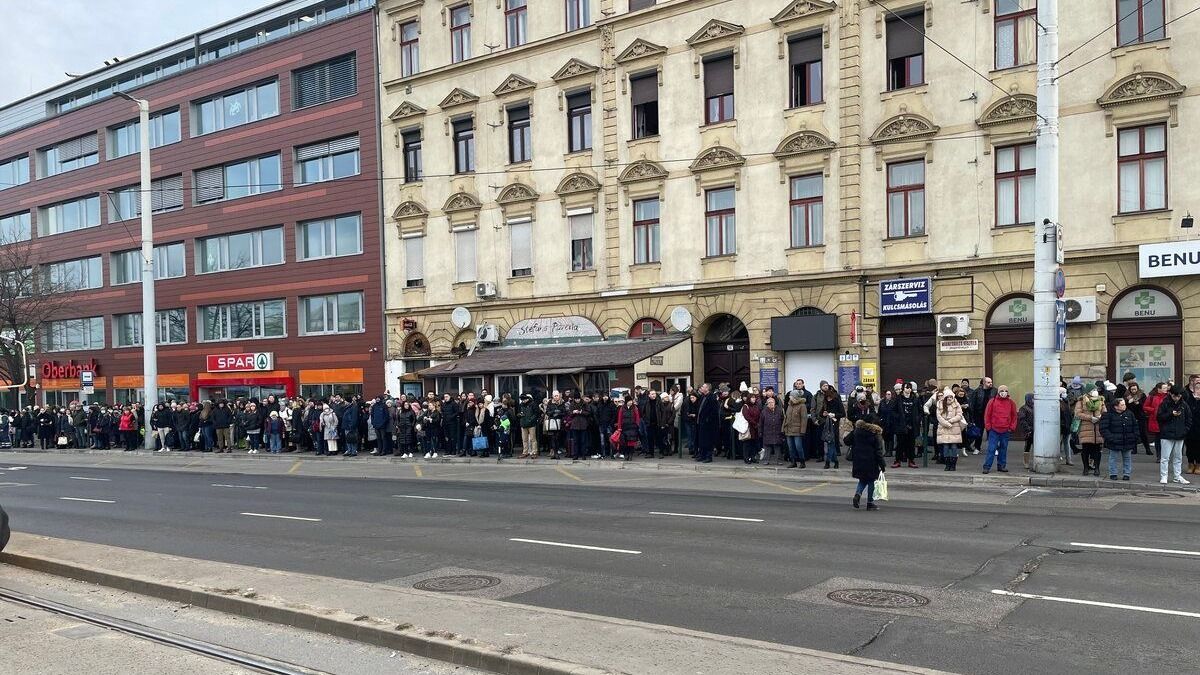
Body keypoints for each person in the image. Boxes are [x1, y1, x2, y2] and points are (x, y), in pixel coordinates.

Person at [848, 413, 886, 511]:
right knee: (871, 481)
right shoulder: (875, 433)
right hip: (871, 461)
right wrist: (882, 464)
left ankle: (858, 494)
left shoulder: (857, 431)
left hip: (858, 460)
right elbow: (878, 451)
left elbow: (846, 440)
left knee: (862, 479)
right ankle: (870, 502)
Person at [1156, 385, 1192, 484]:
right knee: (1165, 457)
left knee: (1178, 457)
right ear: (1170, 394)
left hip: (1180, 435)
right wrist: (1171, 414)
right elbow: (1159, 417)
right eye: (1175, 396)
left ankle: (1177, 476)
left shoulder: (1184, 405)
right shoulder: (1165, 403)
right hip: (1167, 434)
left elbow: (1189, 419)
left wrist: (1185, 430)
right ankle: (1164, 476)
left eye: (1179, 396)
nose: (1177, 398)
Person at [982, 384, 1018, 474]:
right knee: (991, 449)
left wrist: (1011, 427)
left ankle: (1001, 466)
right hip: (994, 430)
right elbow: (987, 415)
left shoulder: (1011, 403)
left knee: (1003, 449)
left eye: (1006, 391)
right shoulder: (992, 402)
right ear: (998, 392)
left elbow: (1014, 416)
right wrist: (988, 427)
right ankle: (987, 466)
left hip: (1005, 430)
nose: (1004, 393)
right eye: (1002, 391)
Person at [1100, 397, 1138, 481]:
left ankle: (1126, 474)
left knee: (1127, 458)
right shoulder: (1108, 415)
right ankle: (1113, 474)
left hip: (1127, 440)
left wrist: (1134, 437)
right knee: (1113, 458)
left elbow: (1135, 426)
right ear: (1116, 406)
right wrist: (1111, 438)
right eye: (1122, 405)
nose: (1124, 406)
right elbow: (1103, 428)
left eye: (1124, 404)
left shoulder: (1129, 413)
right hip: (1114, 441)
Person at [1074, 384, 1106, 477]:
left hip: (1097, 429)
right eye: (1093, 389)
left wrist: (1100, 417)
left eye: (1096, 389)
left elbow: (1104, 411)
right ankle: (1086, 468)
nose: (1095, 391)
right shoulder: (1081, 400)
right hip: (1086, 428)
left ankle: (1097, 468)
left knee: (1097, 450)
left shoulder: (1101, 400)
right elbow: (1077, 413)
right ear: (1088, 391)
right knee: (1086, 450)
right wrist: (1090, 418)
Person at [891, 383, 920, 469]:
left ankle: (911, 460)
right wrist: (898, 418)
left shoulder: (915, 398)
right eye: (907, 388)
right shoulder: (898, 398)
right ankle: (897, 461)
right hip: (901, 425)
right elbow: (893, 410)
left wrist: (917, 418)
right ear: (903, 389)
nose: (908, 389)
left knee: (911, 444)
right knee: (900, 444)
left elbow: (920, 410)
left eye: (910, 388)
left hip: (912, 424)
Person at [935, 387, 964, 471]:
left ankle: (953, 465)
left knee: (954, 447)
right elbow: (939, 417)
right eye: (948, 397)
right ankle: (947, 464)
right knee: (946, 447)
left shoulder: (956, 404)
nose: (950, 399)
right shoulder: (940, 404)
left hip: (954, 428)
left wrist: (951, 421)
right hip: (944, 428)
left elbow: (959, 415)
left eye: (951, 397)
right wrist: (946, 423)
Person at [818, 386, 844, 469]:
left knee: (831, 444)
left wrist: (834, 415)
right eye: (827, 398)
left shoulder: (837, 401)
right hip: (827, 425)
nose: (828, 399)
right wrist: (824, 414)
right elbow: (820, 413)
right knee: (830, 444)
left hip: (834, 424)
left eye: (829, 398)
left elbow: (843, 413)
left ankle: (828, 462)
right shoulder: (825, 402)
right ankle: (835, 461)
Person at [968, 377, 996, 454]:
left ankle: (993, 448)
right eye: (988, 382)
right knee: (979, 432)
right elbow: (972, 403)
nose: (990, 384)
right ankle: (977, 448)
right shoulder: (977, 391)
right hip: (979, 415)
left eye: (991, 382)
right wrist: (972, 416)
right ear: (983, 383)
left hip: (991, 415)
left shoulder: (994, 391)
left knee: (991, 432)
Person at [782, 390, 808, 469]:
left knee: (798, 447)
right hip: (788, 429)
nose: (790, 397)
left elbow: (804, 419)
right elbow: (786, 417)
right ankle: (793, 462)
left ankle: (802, 462)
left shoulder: (802, 406)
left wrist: (803, 430)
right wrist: (783, 428)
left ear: (795, 397)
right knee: (790, 447)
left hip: (797, 430)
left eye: (791, 396)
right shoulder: (789, 405)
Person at [1144, 382, 1168, 462]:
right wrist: (1154, 410)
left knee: (1165, 439)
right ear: (1159, 389)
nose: (1166, 389)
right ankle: (1159, 456)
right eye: (1164, 388)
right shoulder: (1152, 397)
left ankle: (1165, 456)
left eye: (1166, 388)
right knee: (1158, 439)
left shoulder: (1168, 397)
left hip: (1166, 420)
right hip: (1156, 420)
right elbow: (1145, 407)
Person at [759, 396, 784, 465]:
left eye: (772, 402)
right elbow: (761, 422)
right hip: (767, 432)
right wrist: (760, 431)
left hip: (777, 431)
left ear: (775, 403)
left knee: (777, 447)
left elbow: (782, 421)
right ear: (767, 404)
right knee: (767, 447)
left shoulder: (779, 410)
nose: (771, 404)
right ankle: (766, 460)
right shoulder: (764, 412)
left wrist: (783, 431)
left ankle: (778, 460)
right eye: (769, 402)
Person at [615, 396, 641, 461]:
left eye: (631, 401)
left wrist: (637, 425)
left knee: (631, 442)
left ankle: (630, 455)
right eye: (629, 401)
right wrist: (619, 427)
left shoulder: (635, 408)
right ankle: (626, 454)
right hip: (624, 427)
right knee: (625, 442)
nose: (630, 402)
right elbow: (620, 418)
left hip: (632, 427)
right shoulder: (622, 408)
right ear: (626, 401)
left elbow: (637, 417)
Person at [1185, 376, 1200, 475]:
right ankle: (1190, 463)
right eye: (1197, 381)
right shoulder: (1186, 393)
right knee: (1189, 445)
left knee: (1199, 446)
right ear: (1192, 382)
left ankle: (1198, 464)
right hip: (1189, 424)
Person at [1016, 393, 1034, 469]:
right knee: (1028, 445)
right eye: (1032, 398)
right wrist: (1028, 429)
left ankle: (1035, 460)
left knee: (1036, 446)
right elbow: (1022, 420)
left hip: (1035, 430)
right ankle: (1026, 462)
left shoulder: (1035, 407)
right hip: (1029, 430)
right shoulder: (1023, 408)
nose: (1033, 400)